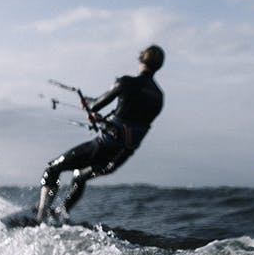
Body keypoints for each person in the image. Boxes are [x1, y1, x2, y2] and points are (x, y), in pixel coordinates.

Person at [36, 45, 165, 223]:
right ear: (159, 66)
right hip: (118, 158)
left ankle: (40, 218)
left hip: (103, 146)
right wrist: (104, 120)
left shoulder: (125, 82)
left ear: (141, 60)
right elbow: (131, 120)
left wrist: (88, 104)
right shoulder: (159, 97)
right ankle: (60, 215)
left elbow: (95, 105)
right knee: (79, 176)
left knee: (52, 169)